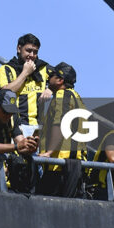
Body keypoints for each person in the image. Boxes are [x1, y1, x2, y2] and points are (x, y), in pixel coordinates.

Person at [36, 63, 87, 197]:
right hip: (76, 165)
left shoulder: (61, 95)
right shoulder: (77, 97)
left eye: (51, 75)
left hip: (60, 166)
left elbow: (60, 125)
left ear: (60, 80)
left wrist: (49, 152)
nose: (48, 78)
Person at [0, 33, 50, 126]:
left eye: (35, 52)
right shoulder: (7, 69)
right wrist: (25, 73)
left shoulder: (43, 67)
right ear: (19, 48)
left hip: (40, 127)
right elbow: (5, 93)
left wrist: (50, 89)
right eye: (28, 50)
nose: (32, 55)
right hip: (17, 126)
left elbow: (65, 77)